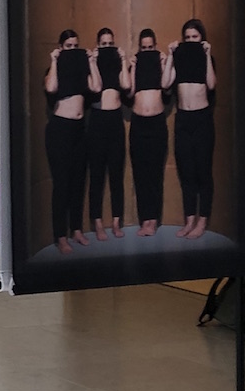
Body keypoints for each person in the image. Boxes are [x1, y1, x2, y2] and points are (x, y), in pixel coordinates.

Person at [45, 29, 98, 253]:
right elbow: (51, 88)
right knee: (62, 184)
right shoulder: (54, 69)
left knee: (78, 181)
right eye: (68, 46)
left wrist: (92, 62)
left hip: (79, 129)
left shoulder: (81, 68)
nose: (73, 50)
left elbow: (96, 87)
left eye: (75, 46)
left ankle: (76, 229)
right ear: (61, 46)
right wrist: (55, 60)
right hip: (60, 129)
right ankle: (60, 236)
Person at [171, 19, 217, 240]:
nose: (190, 41)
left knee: (203, 172)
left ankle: (202, 221)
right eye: (187, 37)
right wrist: (171, 54)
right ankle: (189, 220)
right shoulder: (179, 56)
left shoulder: (206, 57)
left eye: (194, 37)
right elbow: (165, 83)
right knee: (186, 172)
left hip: (201, 120)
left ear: (202, 38)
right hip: (182, 119)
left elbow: (211, 84)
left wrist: (207, 54)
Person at [87, 28, 130, 241]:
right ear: (98, 44)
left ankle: (116, 221)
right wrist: (93, 61)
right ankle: (97, 223)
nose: (106, 47)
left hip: (115, 120)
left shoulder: (117, 62)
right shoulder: (92, 63)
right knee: (96, 175)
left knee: (116, 174)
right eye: (103, 43)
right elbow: (93, 89)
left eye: (109, 43)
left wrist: (122, 59)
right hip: (97, 120)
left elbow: (126, 85)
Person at [127, 28, 169, 237]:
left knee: (155, 173)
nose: (147, 51)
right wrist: (133, 67)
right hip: (138, 124)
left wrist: (163, 62)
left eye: (150, 47)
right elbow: (130, 91)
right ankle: (145, 220)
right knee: (140, 173)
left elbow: (166, 87)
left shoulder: (161, 64)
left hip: (157, 124)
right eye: (143, 48)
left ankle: (153, 220)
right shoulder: (134, 66)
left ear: (156, 46)